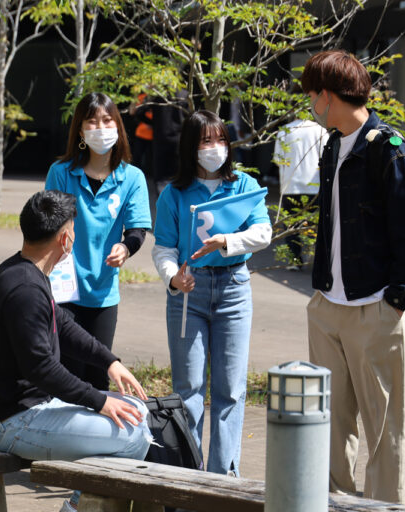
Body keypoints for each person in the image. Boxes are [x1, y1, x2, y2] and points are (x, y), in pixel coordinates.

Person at [301, 50, 405, 504]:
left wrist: (395, 299)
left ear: (329, 95)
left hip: (374, 307)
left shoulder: (388, 149)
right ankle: (335, 502)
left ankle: (384, 506)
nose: (311, 104)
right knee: (329, 423)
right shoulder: (334, 144)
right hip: (328, 306)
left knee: (384, 426)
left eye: (313, 95)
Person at [0, 190, 150, 512]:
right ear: (66, 239)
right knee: (134, 435)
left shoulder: (24, 270)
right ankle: (77, 508)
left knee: (140, 413)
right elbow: (41, 367)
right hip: (14, 422)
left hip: (32, 409)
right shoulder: (25, 288)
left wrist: (109, 362)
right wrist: (99, 400)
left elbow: (62, 326)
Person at [151, 110, 272, 476]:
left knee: (230, 390)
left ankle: (223, 479)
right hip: (189, 293)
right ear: (191, 147)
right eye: (206, 141)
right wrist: (173, 278)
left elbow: (263, 233)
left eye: (221, 140)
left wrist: (228, 241)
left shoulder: (245, 185)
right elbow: (164, 248)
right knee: (187, 390)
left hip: (234, 287)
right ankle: (188, 475)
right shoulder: (173, 193)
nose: (215, 148)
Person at [45, 92, 152, 392]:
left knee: (96, 377)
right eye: (92, 122)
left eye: (107, 121)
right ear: (80, 131)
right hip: (64, 290)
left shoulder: (132, 178)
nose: (100, 128)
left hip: (103, 293)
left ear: (118, 127)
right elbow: (50, 223)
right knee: (66, 375)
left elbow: (137, 229)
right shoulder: (61, 173)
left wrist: (125, 247)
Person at [273, 114, 329, 269]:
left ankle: (295, 260)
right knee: (317, 225)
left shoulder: (284, 131)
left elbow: (278, 160)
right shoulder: (320, 130)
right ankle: (319, 262)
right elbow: (327, 158)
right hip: (315, 186)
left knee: (291, 226)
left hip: (290, 185)